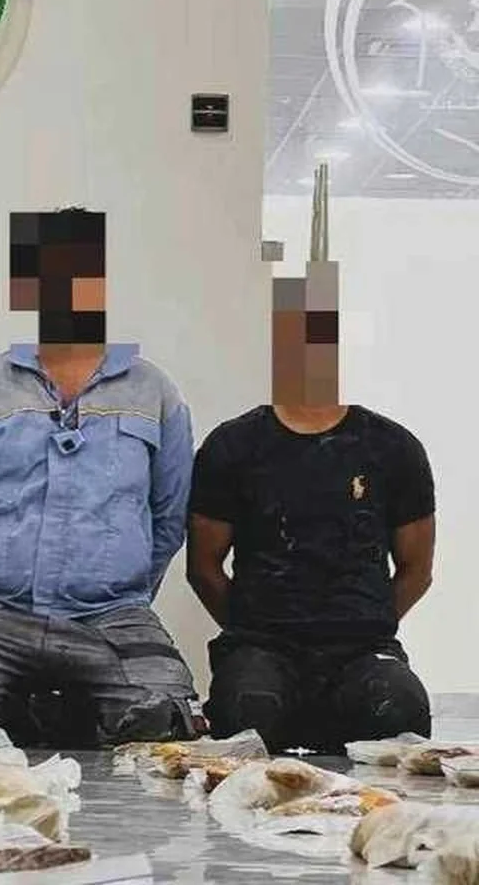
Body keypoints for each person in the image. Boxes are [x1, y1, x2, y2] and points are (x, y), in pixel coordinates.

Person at [0, 208, 200, 748]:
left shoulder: (156, 393)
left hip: (112, 614)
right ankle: (29, 709)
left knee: (163, 725)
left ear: (102, 284)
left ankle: (55, 712)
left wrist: (121, 582)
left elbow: (169, 513)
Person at [186, 167, 435, 751]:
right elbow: (204, 566)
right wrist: (252, 625)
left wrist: (366, 620)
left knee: (398, 712)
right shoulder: (233, 446)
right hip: (261, 644)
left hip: (363, 648)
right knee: (247, 712)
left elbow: (417, 570)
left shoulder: (393, 448)